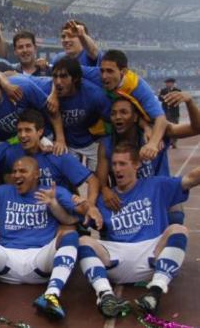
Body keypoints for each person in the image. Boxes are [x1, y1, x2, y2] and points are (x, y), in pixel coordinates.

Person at [0, 157, 87, 319]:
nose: (16, 175)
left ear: (36, 174)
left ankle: (51, 295)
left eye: (23, 171)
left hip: (40, 260)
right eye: (14, 171)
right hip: (6, 260)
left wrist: (68, 204)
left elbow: (79, 215)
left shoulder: (53, 191)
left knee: (70, 235)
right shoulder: (3, 191)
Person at [79, 143, 200, 317]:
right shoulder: (105, 199)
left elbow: (191, 178)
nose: (117, 169)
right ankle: (105, 295)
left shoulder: (157, 185)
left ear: (136, 165)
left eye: (122, 164)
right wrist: (83, 207)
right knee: (83, 241)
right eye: (114, 164)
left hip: (151, 255)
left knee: (178, 229)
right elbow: (76, 219)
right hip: (116, 259)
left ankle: (155, 291)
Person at [96, 94, 200, 225]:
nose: (117, 117)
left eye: (124, 112)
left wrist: (189, 102)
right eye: (113, 113)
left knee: (175, 216)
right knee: (106, 224)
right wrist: (105, 190)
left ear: (135, 117)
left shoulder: (156, 133)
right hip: (128, 199)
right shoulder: (107, 144)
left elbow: (196, 128)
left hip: (158, 194)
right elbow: (101, 179)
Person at [159, 78, 181, 147]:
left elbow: (177, 99)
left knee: (175, 127)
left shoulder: (177, 90)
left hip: (174, 112)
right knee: (165, 127)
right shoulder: (163, 90)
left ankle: (174, 142)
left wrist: (165, 97)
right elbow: (160, 98)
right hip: (165, 112)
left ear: (172, 83)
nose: (167, 84)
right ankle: (167, 142)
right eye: (166, 83)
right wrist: (167, 97)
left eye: (169, 83)